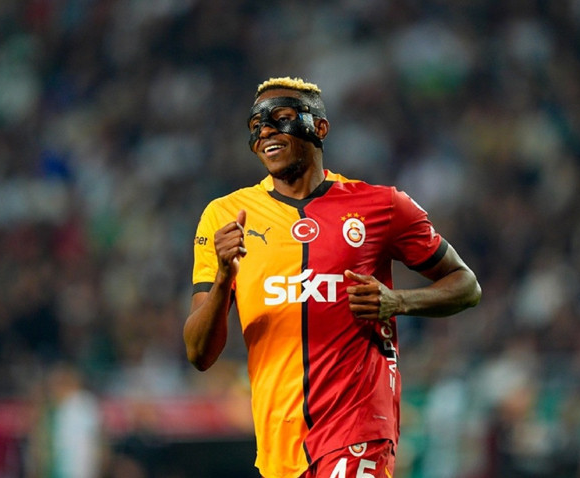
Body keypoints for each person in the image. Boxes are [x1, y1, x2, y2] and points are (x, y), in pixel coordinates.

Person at [184, 76, 481, 478]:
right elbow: (199, 354)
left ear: (319, 128)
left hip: (359, 427)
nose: (265, 130)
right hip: (279, 445)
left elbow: (466, 285)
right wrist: (223, 278)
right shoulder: (224, 217)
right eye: (256, 125)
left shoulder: (381, 206)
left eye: (280, 118)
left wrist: (399, 301)